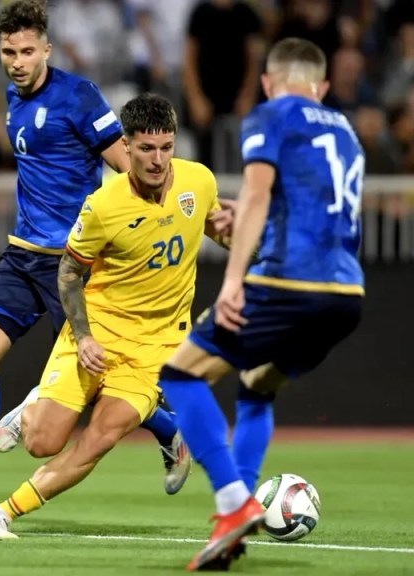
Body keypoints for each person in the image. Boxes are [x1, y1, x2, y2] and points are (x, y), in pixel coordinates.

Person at [0, 0, 188, 518]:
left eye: (26, 51)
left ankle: (169, 429)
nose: (17, 62)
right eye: (8, 52)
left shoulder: (79, 96)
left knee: (101, 377)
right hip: (22, 254)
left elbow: (128, 164)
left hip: (72, 264)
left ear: (47, 49)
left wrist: (156, 226)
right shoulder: (11, 100)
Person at [0, 93, 233, 539]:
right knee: (41, 442)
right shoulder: (103, 205)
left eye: (166, 147)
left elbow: (217, 228)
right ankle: (36, 403)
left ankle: (2, 514)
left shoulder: (199, 181)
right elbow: (69, 272)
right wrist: (84, 336)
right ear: (126, 146)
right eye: (146, 149)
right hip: (97, 335)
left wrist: (260, 251)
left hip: (156, 350)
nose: (158, 160)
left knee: (99, 439)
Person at [155, 37, 365, 571]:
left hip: (286, 283)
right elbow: (310, 212)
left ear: (268, 82)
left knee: (180, 375)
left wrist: (233, 279)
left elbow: (256, 192)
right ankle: (236, 525)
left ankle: (233, 503)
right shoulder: (346, 133)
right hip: (345, 296)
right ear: (322, 86)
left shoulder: (272, 114)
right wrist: (255, 224)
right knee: (256, 385)